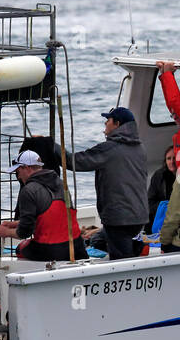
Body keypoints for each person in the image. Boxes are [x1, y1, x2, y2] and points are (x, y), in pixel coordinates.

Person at [57, 107, 149, 259]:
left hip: (119, 218)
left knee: (121, 259)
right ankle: (136, 252)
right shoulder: (140, 148)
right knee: (104, 241)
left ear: (117, 124)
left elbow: (76, 162)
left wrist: (51, 147)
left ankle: (126, 273)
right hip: (138, 216)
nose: (105, 123)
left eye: (108, 120)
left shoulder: (110, 149)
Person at [0, 150, 83, 261]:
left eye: (18, 172)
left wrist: (6, 232)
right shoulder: (61, 184)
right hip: (76, 247)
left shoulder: (28, 191)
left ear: (26, 168)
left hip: (50, 251)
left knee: (21, 249)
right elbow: (52, 217)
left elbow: (24, 232)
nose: (18, 177)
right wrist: (15, 224)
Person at [147, 144, 178, 228]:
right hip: (162, 221)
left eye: (174, 158)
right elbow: (150, 202)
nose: (172, 162)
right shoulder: (159, 176)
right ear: (165, 161)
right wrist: (165, 207)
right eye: (169, 158)